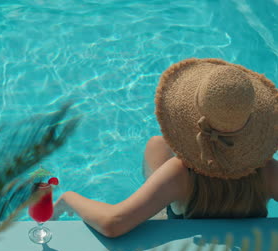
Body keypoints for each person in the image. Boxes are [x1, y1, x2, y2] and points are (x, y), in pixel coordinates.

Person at [53, 58, 278, 238]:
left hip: (175, 216)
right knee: (158, 145)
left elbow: (113, 224)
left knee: (155, 145)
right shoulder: (268, 170)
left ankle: (158, 199)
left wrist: (69, 198)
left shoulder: (180, 172)